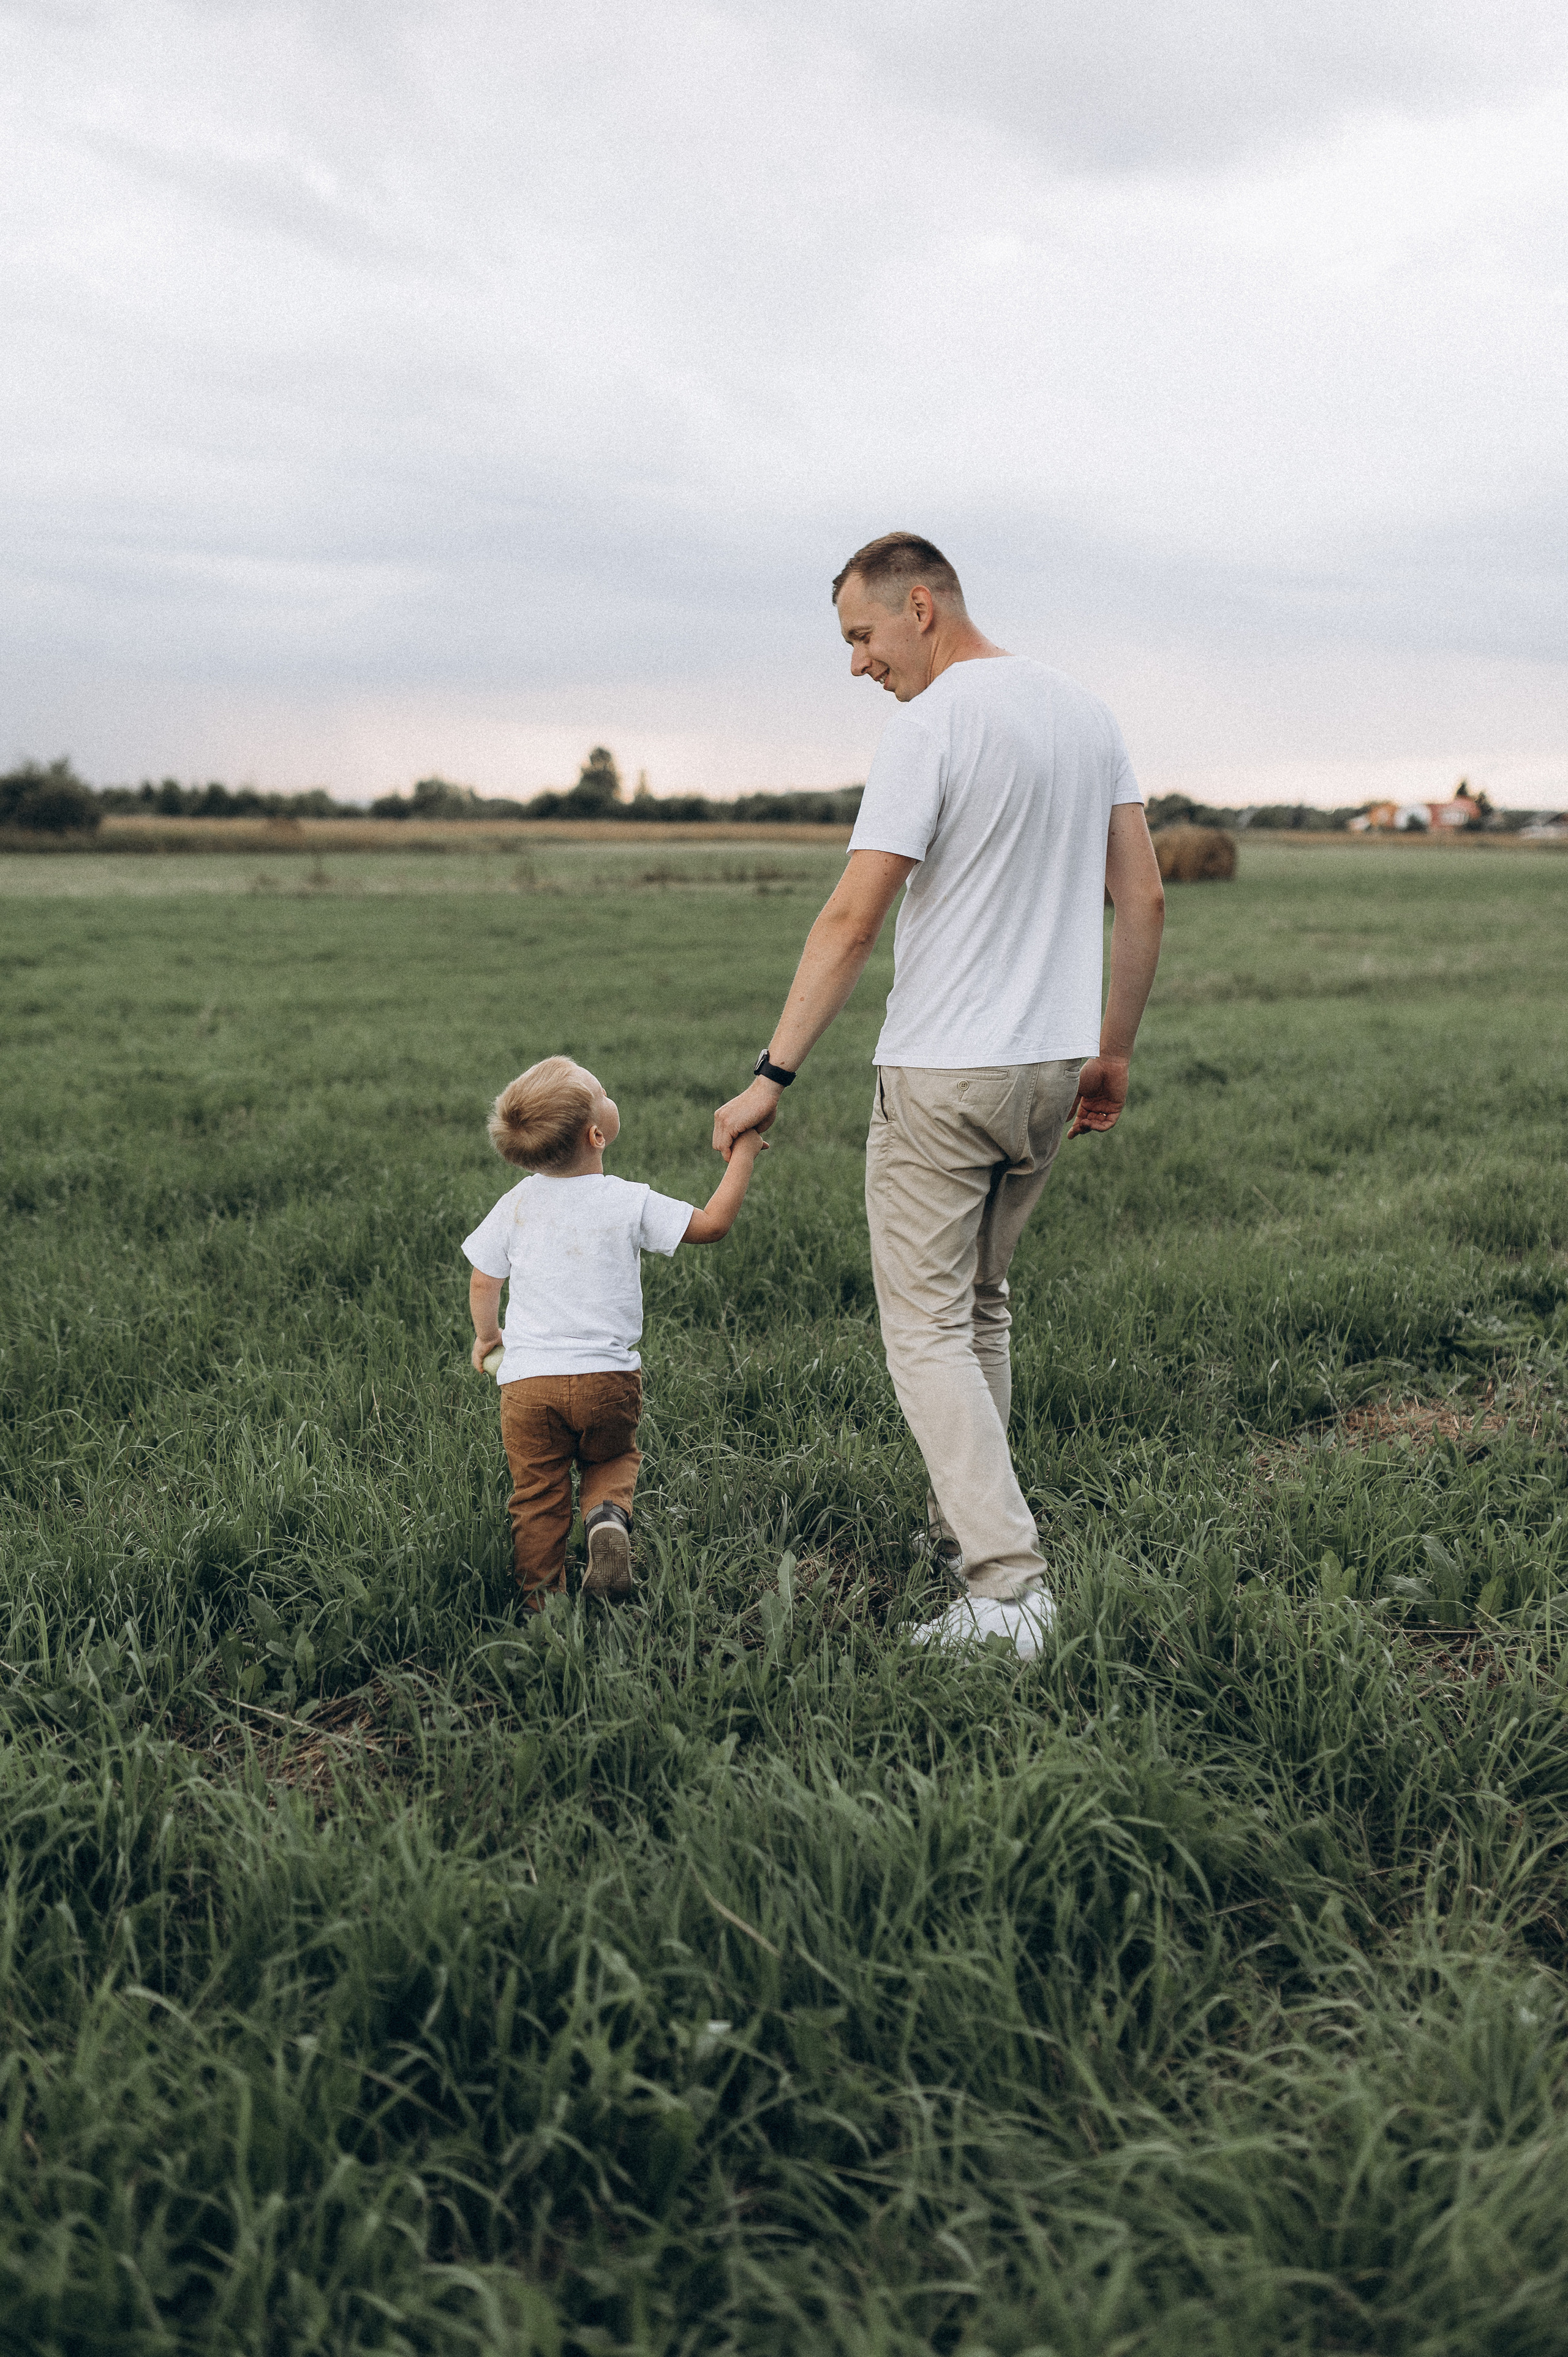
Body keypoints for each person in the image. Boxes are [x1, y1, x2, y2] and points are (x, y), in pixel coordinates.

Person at [712, 532, 1165, 1658]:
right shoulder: (1086, 714)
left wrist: (771, 1074)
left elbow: (851, 918)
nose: (857, 663)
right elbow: (1145, 896)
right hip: (1050, 1069)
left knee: (923, 1329)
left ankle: (1008, 1588)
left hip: (944, 1073)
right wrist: (1111, 1053)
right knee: (979, 1306)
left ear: (921, 606)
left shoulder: (932, 725)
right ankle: (966, 1532)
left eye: (862, 635)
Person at [466, 1056, 767, 1611]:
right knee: (610, 1459)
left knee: (537, 1494)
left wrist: (489, 1337)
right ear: (596, 1135)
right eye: (602, 1091)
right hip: (608, 1379)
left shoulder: (516, 1204)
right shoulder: (628, 1199)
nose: (610, 1095)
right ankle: (606, 1521)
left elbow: (484, 1279)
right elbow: (713, 1224)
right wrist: (744, 1152)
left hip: (528, 1386)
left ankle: (542, 1606)